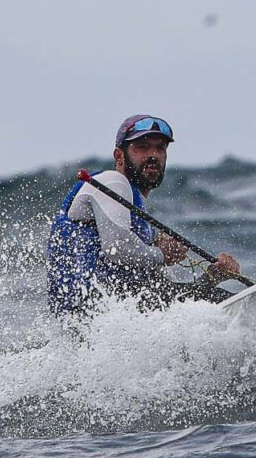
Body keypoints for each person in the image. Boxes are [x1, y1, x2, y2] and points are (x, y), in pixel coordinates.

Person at [45, 113, 240, 313]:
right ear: (119, 156)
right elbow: (117, 249)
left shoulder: (131, 213)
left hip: (109, 317)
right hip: (95, 309)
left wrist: (211, 277)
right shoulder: (112, 182)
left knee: (200, 304)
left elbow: (163, 293)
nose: (153, 155)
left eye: (160, 148)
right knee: (213, 303)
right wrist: (162, 254)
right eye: (143, 147)